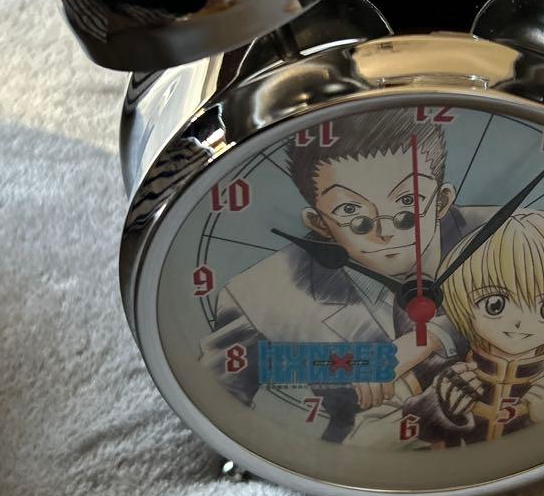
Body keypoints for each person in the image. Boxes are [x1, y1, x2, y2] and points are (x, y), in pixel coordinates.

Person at [199, 108, 491, 441]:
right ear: (319, 224)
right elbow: (221, 396)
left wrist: (432, 335)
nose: (384, 232)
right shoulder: (257, 299)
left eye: (408, 201)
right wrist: (368, 363)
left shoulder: (521, 234)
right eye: (351, 212)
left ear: (441, 202)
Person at [349, 210, 544, 447]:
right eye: (495, 304)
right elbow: (360, 443)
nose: (519, 322)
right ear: (464, 303)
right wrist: (433, 408)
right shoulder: (428, 373)